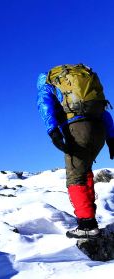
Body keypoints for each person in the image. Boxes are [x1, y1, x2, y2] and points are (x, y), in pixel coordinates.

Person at [37, 64, 114, 238]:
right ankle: (89, 219)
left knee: (75, 176)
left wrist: (53, 131)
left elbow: (44, 104)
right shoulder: (82, 81)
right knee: (85, 171)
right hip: (99, 129)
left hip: (78, 130)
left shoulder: (46, 81)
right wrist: (111, 137)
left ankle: (86, 224)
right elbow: (103, 110)